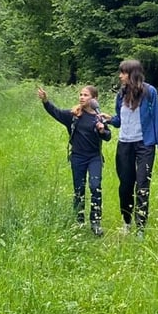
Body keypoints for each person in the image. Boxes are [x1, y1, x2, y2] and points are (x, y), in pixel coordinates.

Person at [104, 59, 158, 238]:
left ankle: (141, 228)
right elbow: (119, 120)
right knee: (125, 186)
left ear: (132, 74)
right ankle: (127, 221)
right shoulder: (121, 94)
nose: (120, 76)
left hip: (144, 145)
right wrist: (109, 119)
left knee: (142, 186)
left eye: (123, 73)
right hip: (124, 144)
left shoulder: (149, 92)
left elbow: (157, 118)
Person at [37, 84, 111, 237]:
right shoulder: (73, 115)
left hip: (94, 157)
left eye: (85, 95)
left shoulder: (99, 116)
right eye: (81, 95)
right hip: (78, 157)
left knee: (95, 186)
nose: (82, 97)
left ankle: (96, 222)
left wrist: (102, 129)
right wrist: (45, 101)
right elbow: (55, 112)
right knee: (79, 189)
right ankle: (79, 221)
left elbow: (108, 137)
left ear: (94, 99)